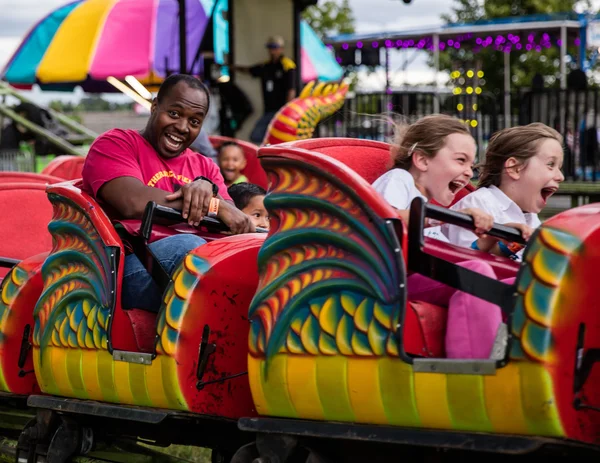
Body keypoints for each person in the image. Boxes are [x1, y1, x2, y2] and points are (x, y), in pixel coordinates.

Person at [81, 73, 255, 313]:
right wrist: (213, 205)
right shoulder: (116, 144)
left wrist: (217, 204)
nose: (182, 127)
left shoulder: (205, 167)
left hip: (192, 267)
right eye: (174, 114)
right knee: (190, 247)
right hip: (127, 268)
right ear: (154, 107)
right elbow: (131, 202)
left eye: (194, 122)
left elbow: (232, 221)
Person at [372, 114, 503, 359]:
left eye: (471, 166)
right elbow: (385, 218)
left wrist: (498, 240)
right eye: (460, 161)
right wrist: (441, 216)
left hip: (424, 274)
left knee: (514, 284)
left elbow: (454, 253)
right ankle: (476, 368)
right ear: (422, 159)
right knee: (475, 272)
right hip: (394, 279)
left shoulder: (425, 203)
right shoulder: (399, 179)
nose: (468, 173)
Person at [443, 123, 564, 262]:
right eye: (551, 165)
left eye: (559, 167)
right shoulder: (478, 204)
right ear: (514, 168)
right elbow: (464, 267)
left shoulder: (531, 218)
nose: (560, 176)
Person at [234, 35, 297, 144]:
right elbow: (250, 70)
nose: (272, 50)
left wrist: (286, 111)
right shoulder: (266, 66)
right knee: (258, 136)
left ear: (281, 48)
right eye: (270, 47)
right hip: (269, 109)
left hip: (280, 111)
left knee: (258, 135)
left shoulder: (287, 65)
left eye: (275, 47)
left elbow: (291, 89)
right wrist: (231, 67)